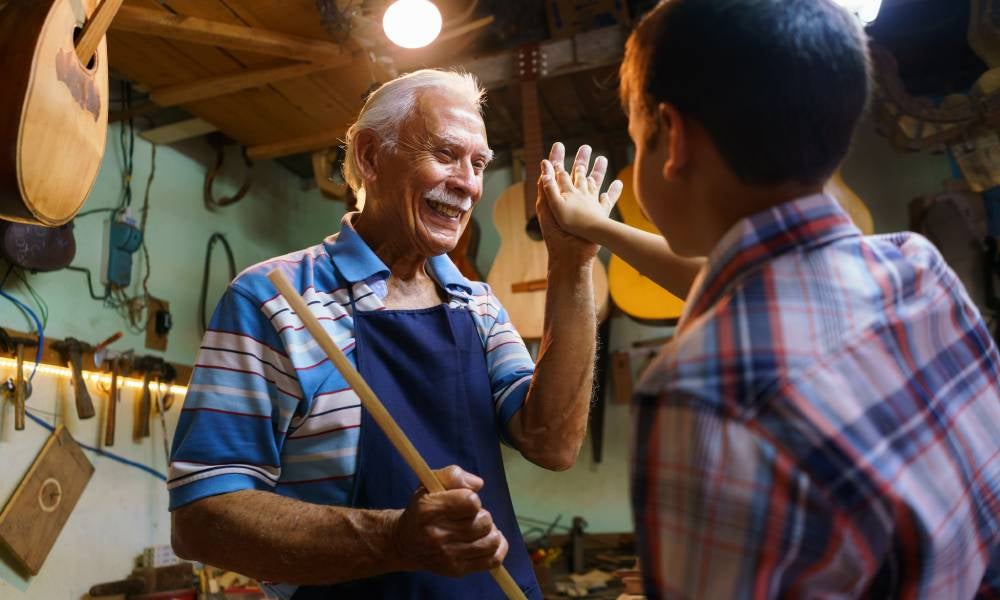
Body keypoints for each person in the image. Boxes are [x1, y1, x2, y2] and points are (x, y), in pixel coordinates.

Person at [539, 0, 1000, 597]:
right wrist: (596, 229)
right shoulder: (915, 267)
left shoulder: (699, 390)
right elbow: (751, 283)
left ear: (672, 138)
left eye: (633, 142)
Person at [168, 69, 619, 599]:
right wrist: (394, 541)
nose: (469, 183)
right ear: (370, 156)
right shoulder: (273, 301)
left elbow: (552, 442)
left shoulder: (478, 305)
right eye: (447, 154)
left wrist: (573, 263)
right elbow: (201, 516)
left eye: (478, 165)